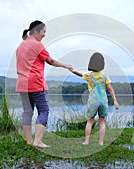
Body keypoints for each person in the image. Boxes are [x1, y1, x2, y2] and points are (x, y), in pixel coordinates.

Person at [16, 20, 72, 148]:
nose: (44, 35)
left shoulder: (21, 46)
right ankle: (38, 141)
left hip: (22, 84)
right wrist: (65, 66)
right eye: (43, 32)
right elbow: (50, 61)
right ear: (36, 31)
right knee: (44, 111)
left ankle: (29, 141)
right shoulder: (37, 45)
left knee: (27, 112)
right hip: (35, 83)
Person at [69, 52, 119, 146]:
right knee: (102, 121)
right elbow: (110, 89)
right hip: (103, 101)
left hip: (93, 100)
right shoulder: (105, 76)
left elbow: (79, 74)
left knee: (90, 121)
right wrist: (115, 101)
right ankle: (101, 142)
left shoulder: (89, 76)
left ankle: (87, 141)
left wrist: (72, 70)